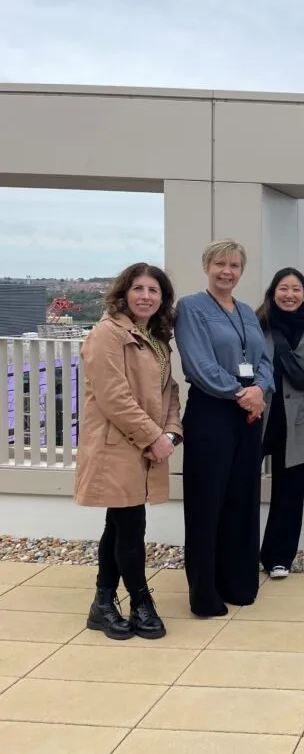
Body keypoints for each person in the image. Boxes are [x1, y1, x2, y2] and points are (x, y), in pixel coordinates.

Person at [75, 263, 181, 640]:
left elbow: (169, 392)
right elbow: (112, 395)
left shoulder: (155, 337)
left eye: (154, 290)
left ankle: (103, 604)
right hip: (115, 447)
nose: (146, 296)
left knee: (118, 524)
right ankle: (140, 601)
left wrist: (171, 431)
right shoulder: (107, 333)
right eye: (139, 288)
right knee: (131, 526)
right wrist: (153, 437)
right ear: (124, 292)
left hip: (143, 445)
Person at [175, 239, 273, 617]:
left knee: (241, 499)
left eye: (234, 265)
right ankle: (205, 592)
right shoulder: (192, 308)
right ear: (207, 266)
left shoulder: (247, 311)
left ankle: (238, 582)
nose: (227, 271)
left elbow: (263, 360)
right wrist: (239, 392)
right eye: (220, 264)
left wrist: (259, 390)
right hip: (212, 413)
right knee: (207, 502)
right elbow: (199, 364)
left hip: (248, 415)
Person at [256, 267, 304, 579]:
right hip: (257, 416)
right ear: (273, 292)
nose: (289, 295)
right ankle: (242, 550)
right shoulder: (257, 325)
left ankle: (279, 557)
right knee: (244, 488)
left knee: (289, 492)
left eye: (296, 289)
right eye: (283, 288)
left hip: (295, 419)